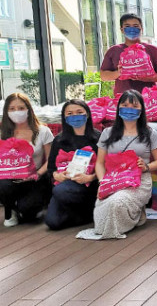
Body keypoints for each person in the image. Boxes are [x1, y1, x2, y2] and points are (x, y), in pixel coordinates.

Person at [87, 90, 157, 239]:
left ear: (141, 109)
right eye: (125, 105)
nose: (129, 109)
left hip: (138, 181)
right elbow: (100, 163)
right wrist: (103, 182)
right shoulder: (107, 133)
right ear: (118, 108)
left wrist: (147, 167)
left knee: (117, 203)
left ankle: (131, 218)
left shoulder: (150, 134)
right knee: (101, 214)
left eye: (134, 106)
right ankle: (135, 214)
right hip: (113, 180)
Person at [44, 100, 101, 230]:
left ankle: (86, 210)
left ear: (87, 114)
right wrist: (57, 176)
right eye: (70, 113)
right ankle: (83, 215)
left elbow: (105, 165)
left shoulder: (98, 138)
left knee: (60, 191)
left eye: (79, 112)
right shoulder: (59, 140)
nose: (75, 116)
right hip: (65, 184)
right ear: (64, 117)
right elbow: (51, 167)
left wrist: (90, 178)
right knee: (52, 222)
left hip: (88, 186)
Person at [0, 93, 53, 227]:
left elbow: (51, 159)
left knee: (29, 213)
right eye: (12, 109)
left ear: (29, 109)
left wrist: (38, 174)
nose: (16, 112)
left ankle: (23, 207)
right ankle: (10, 208)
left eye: (21, 108)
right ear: (6, 111)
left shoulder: (43, 131)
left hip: (34, 179)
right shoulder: (2, 133)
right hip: (8, 179)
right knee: (3, 185)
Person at [100, 13, 157, 95]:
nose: (132, 29)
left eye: (135, 26)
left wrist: (146, 78)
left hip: (150, 99)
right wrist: (119, 73)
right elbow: (103, 76)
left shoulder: (153, 50)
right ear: (122, 29)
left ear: (141, 29)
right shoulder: (114, 50)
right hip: (123, 100)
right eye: (127, 26)